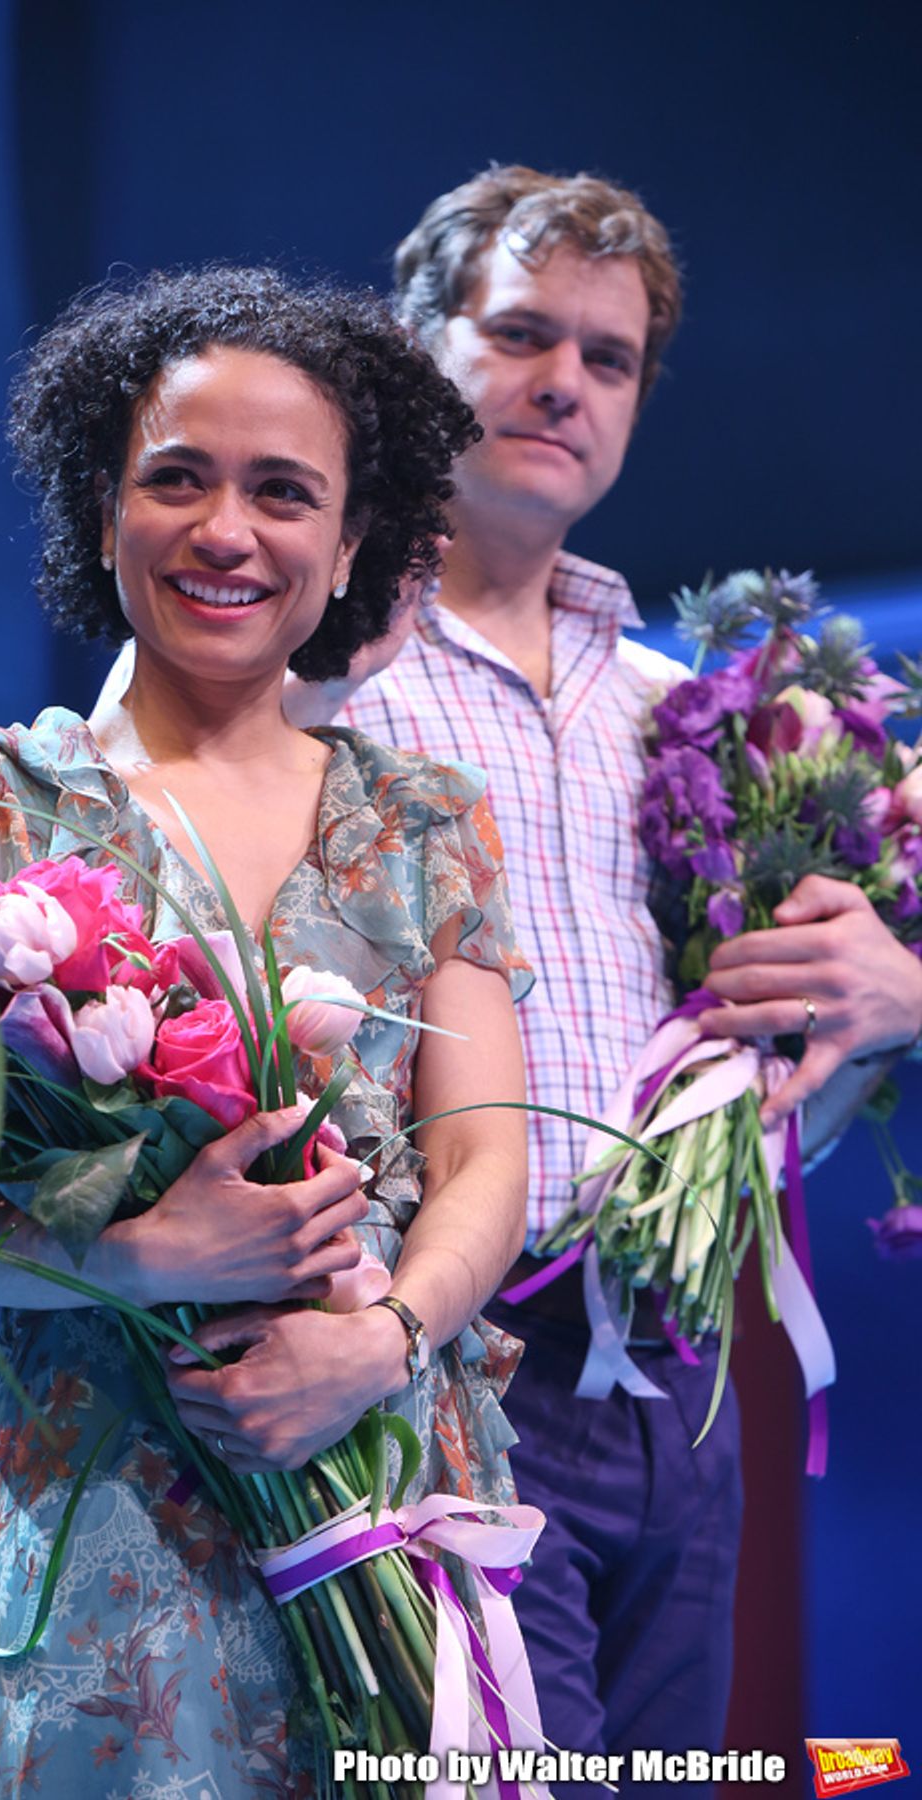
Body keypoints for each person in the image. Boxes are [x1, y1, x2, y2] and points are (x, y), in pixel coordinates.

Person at [278, 166, 922, 1793]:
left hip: (679, 1376)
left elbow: (782, 1085)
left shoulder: (693, 718)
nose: (564, 379)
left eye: (610, 355)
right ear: (411, 351)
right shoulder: (294, 665)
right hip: (438, 1363)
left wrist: (885, 1001)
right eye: (517, 333)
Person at [0, 266, 534, 1798]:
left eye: (283, 492)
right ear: (98, 505)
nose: (227, 531)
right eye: (175, 479)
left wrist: (378, 1345)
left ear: (354, 542)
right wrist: (139, 1260)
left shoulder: (423, 817)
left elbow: (487, 1162)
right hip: (91, 1556)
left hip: (378, 1491)